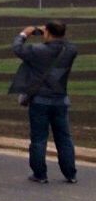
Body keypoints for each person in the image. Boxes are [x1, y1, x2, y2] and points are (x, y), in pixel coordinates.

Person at [9, 21, 78, 184]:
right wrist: (51, 32)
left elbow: (17, 48)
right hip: (61, 100)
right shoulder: (71, 50)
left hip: (40, 101)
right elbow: (64, 42)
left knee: (39, 139)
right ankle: (70, 174)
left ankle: (40, 174)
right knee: (64, 138)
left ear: (47, 32)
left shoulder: (37, 51)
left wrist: (25, 33)